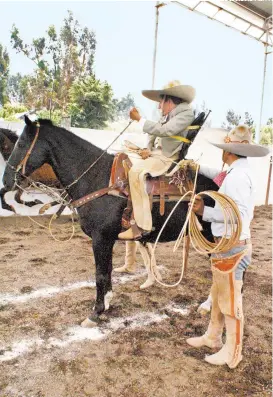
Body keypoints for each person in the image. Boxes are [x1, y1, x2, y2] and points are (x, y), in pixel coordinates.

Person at [186, 125, 269, 369]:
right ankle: (213, 337)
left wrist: (205, 211)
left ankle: (233, 352)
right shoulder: (237, 173)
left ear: (229, 152)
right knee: (219, 293)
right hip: (228, 245)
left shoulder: (238, 176)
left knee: (230, 302)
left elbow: (239, 216)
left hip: (233, 246)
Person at [118, 80, 195, 240]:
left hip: (167, 158)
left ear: (169, 100)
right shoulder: (168, 114)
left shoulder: (186, 114)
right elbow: (154, 134)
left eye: (160, 103)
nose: (159, 107)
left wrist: (140, 120)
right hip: (157, 154)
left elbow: (165, 131)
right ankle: (130, 218)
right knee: (124, 161)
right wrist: (148, 149)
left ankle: (141, 226)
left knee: (136, 172)